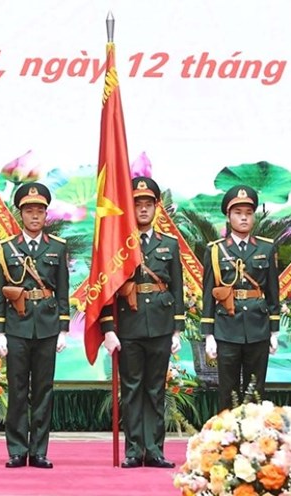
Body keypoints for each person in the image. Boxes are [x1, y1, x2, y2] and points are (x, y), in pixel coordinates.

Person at [99, 177, 185, 469]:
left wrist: (177, 327)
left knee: (155, 389)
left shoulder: (169, 244)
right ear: (129, 208)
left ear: (157, 207)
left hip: (160, 324)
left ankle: (155, 449)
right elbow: (106, 290)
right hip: (130, 326)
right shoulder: (118, 246)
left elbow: (177, 288)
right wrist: (108, 328)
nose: (144, 210)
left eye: (149, 204)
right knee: (133, 389)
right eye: (138, 204)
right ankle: (134, 449)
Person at [0, 182, 70, 469]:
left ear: (46, 215)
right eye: (29, 211)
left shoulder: (58, 248)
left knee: (43, 390)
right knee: (17, 389)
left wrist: (63, 328)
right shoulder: (6, 248)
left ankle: (39, 450)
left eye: (39, 211)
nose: (34, 216)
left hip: (48, 326)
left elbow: (63, 289)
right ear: (20, 214)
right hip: (16, 327)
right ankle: (16, 449)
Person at [202, 185, 280, 411]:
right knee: (228, 390)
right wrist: (208, 335)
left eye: (248, 213)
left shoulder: (266, 247)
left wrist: (274, 331)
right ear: (228, 216)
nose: (244, 218)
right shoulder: (215, 251)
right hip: (227, 327)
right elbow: (208, 293)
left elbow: (273, 292)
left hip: (258, 327)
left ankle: (254, 442)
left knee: (256, 390)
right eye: (238, 213)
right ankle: (227, 441)